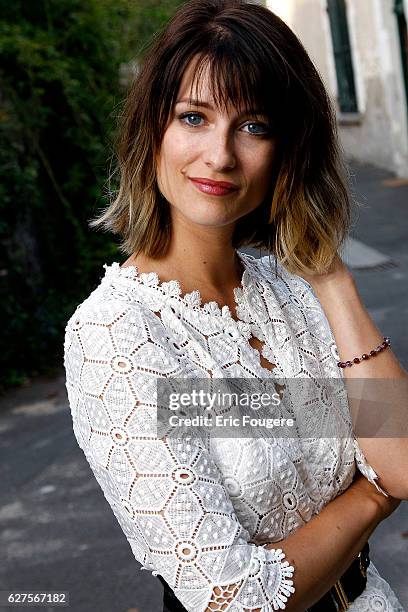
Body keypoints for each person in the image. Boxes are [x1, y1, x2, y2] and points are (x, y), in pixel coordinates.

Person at [63, 1, 408, 610]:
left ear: (289, 151)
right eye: (194, 117)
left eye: (254, 126)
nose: (220, 155)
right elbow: (234, 598)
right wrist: (373, 498)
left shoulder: (296, 289)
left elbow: (402, 458)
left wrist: (330, 275)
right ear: (153, 133)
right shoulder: (118, 333)